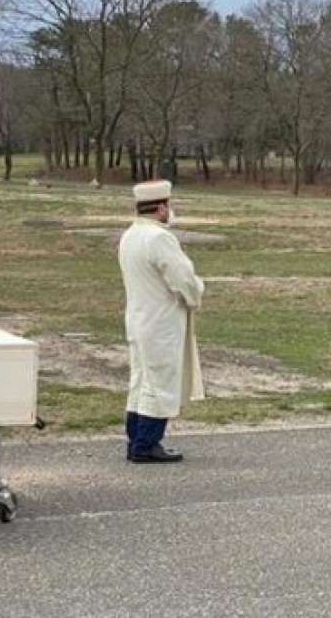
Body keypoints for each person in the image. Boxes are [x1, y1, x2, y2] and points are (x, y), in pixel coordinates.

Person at [118, 180, 205, 464]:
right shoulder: (159, 238)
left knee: (142, 381)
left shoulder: (130, 235)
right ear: (161, 207)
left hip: (139, 318)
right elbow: (182, 279)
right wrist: (197, 291)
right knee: (160, 383)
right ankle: (147, 442)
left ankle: (136, 440)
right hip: (160, 321)